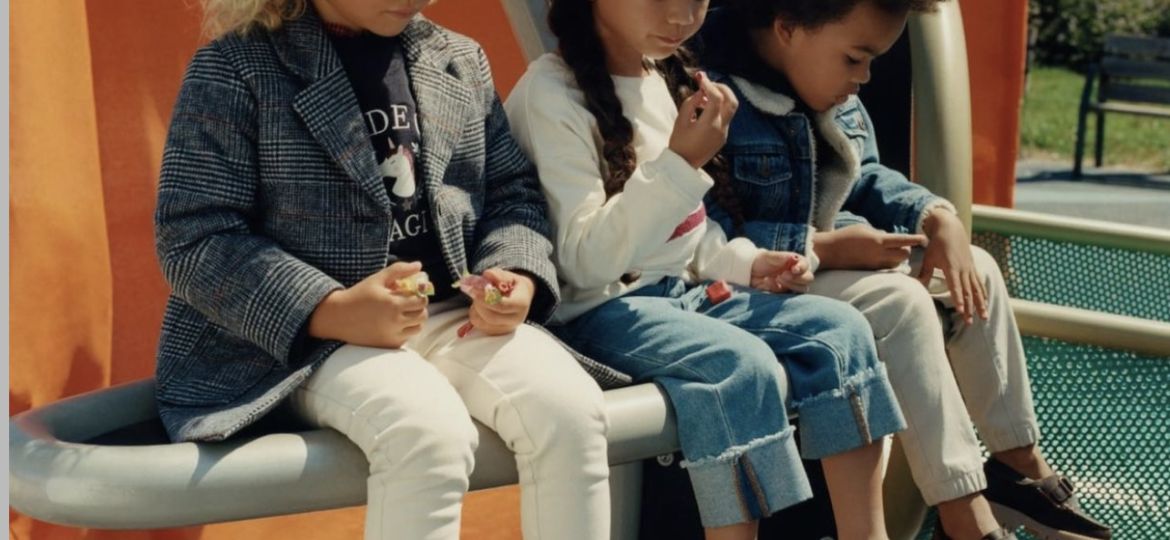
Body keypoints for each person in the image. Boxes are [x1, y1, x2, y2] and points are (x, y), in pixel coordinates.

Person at [153, 1, 611, 538]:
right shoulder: (237, 67)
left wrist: (515, 272)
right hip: (301, 345)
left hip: (454, 314)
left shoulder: (458, 58)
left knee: (570, 410)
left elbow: (510, 193)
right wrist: (328, 309)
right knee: (425, 432)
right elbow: (194, 234)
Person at [694, 1, 1113, 538]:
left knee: (978, 269)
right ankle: (963, 512)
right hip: (763, 278)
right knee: (902, 303)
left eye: (873, 61)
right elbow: (707, 233)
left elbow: (867, 174)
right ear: (788, 29)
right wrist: (826, 248)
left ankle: (1017, 465)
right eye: (854, 59)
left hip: (831, 260)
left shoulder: (832, 89)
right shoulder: (714, 96)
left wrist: (936, 217)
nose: (864, 78)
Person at [505, 1, 908, 538]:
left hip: (683, 296)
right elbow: (584, 263)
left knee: (842, 333)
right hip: (596, 313)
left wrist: (746, 262)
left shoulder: (664, 78)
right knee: (741, 367)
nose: (681, 16)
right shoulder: (550, 95)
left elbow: (688, 234)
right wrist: (680, 162)